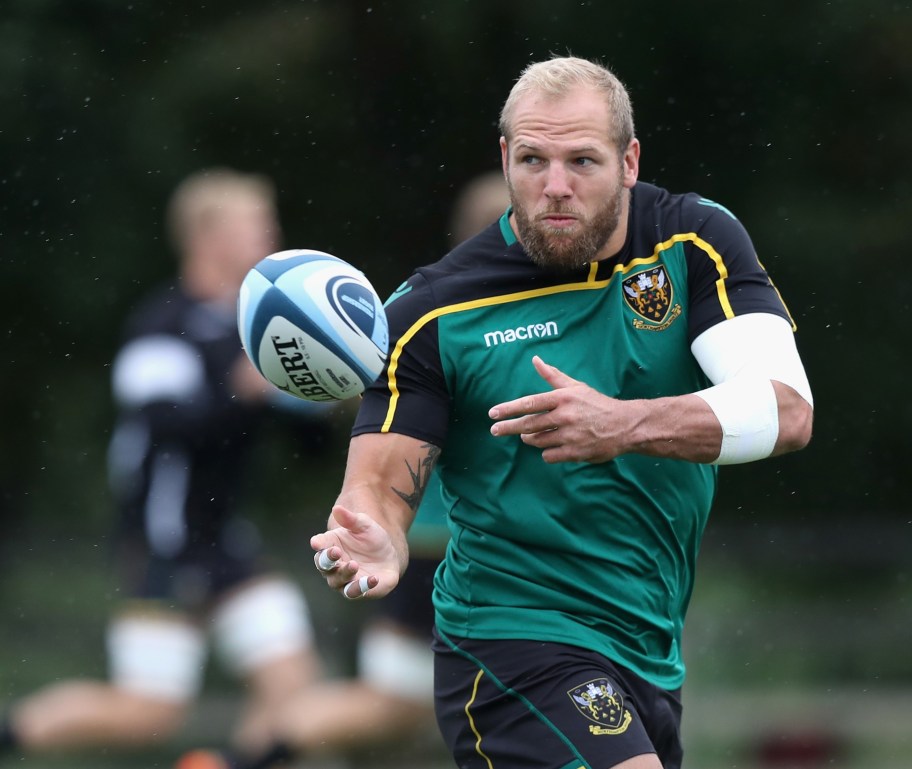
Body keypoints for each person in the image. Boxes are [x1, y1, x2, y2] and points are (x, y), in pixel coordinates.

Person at [309, 55, 814, 769]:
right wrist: (378, 535)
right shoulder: (431, 312)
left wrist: (621, 423)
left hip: (646, 644)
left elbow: (786, 410)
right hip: (509, 640)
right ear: (505, 159)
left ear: (630, 160)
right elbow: (379, 479)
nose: (555, 187)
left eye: (582, 160)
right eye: (533, 160)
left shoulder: (693, 244)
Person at [175, 171, 512, 769]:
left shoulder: (442, 312)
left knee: (393, 708)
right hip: (449, 545)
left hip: (437, 541)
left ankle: (234, 762)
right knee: (436, 702)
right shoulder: (468, 318)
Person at [0, 168, 323, 759]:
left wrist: (325, 395)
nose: (272, 237)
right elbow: (164, 425)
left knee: (292, 684)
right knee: (147, 714)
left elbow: (303, 442)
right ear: (208, 236)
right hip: (167, 540)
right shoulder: (161, 324)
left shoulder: (253, 327)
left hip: (225, 538)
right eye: (257, 224)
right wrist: (242, 393)